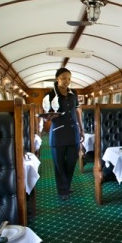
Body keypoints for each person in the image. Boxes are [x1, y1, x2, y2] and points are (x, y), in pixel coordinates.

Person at [42, 68, 84, 201]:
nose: (67, 81)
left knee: (71, 162)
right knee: (59, 164)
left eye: (69, 79)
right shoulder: (49, 96)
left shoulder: (74, 94)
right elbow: (45, 116)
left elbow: (76, 112)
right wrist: (48, 117)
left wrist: (81, 129)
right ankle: (62, 190)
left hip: (73, 133)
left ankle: (66, 185)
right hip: (58, 134)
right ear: (57, 79)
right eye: (64, 78)